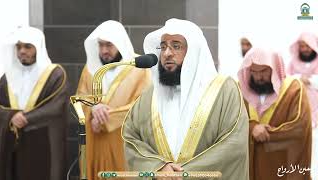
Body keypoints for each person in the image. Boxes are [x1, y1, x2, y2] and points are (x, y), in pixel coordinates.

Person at [122, 18, 249, 180]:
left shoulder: (225, 91)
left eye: (176, 46)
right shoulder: (149, 97)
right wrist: (158, 167)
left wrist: (183, 175)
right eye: (163, 46)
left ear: (194, 52)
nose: (167, 53)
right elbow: (131, 137)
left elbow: (234, 145)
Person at [76, 20, 151, 180]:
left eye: (109, 45)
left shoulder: (139, 68)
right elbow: (81, 98)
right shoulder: (90, 68)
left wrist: (106, 119)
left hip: (123, 143)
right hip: (94, 142)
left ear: (120, 44)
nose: (104, 50)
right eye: (101, 45)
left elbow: (143, 106)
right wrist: (93, 109)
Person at [0, 26, 69, 180]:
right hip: (14, 145)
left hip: (44, 143)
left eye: (27, 47)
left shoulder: (55, 74)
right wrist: (11, 116)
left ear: (38, 48)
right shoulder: (7, 77)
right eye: (19, 47)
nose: (22, 51)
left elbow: (56, 107)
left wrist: (26, 118)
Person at [238, 47, 312, 180]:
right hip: (248, 169)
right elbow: (231, 122)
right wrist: (252, 128)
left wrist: (266, 135)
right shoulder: (240, 89)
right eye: (253, 72)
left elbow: (300, 127)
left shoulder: (293, 89)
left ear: (275, 68)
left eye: (264, 71)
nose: (259, 77)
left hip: (281, 168)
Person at [287, 32, 318, 179]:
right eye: (302, 46)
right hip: (298, 109)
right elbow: (285, 78)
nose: (305, 49)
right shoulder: (293, 62)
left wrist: (310, 80)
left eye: (307, 46)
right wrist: (300, 77)